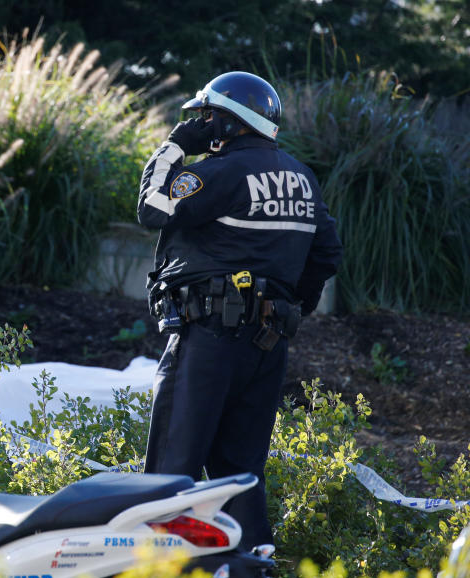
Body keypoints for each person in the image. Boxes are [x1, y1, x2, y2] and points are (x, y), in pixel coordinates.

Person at [136, 71, 343, 550]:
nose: (203, 124)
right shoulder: (301, 177)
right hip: (267, 346)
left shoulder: (219, 172)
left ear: (229, 123)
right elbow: (327, 253)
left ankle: (159, 575)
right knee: (241, 473)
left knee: (174, 464)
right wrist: (292, 304)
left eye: (208, 116)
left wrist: (172, 145)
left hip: (207, 336)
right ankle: (253, 572)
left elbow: (152, 208)